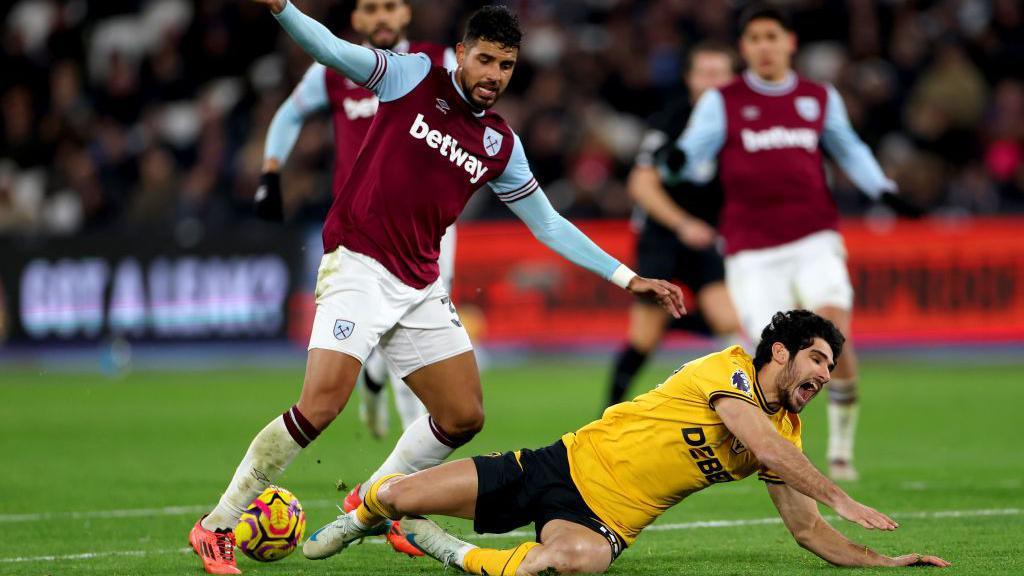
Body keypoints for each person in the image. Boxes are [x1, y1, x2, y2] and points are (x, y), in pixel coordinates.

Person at [188, 2, 686, 574]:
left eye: (506, 65)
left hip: (419, 283)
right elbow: (332, 49)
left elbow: (547, 223)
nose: (494, 75)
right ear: (460, 54)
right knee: (321, 405)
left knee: (462, 415)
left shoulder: (500, 144)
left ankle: (371, 501)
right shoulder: (412, 77)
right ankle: (217, 525)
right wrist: (282, 9)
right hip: (358, 264)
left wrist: (628, 278)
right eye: (485, 59)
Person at [301, 310, 950, 574]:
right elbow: (770, 450)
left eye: (831, 369)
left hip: (604, 520)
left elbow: (807, 532)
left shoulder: (787, 432)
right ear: (779, 352)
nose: (823, 376)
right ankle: (360, 518)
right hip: (557, 464)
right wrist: (844, 497)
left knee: (571, 562)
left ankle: (446, 549)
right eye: (816, 360)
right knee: (399, 493)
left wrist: (880, 561)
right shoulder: (727, 371)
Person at [663, 4, 923, 481]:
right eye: (755, 38)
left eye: (772, 37)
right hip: (752, 250)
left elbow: (850, 149)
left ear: (790, 43)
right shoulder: (723, 101)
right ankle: (775, 456)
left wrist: (885, 191)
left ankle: (841, 452)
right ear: (744, 48)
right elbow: (693, 157)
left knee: (832, 336)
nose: (764, 46)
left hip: (814, 238)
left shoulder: (817, 97)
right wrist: (675, 161)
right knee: (773, 361)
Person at [257, 0, 455, 442]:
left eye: (390, 6)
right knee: (393, 324)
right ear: (357, 21)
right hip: (363, 228)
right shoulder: (333, 70)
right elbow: (290, 114)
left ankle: (381, 388)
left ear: (406, 14)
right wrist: (271, 169)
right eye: (371, 8)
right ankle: (405, 451)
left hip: (429, 222)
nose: (381, 16)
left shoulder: (436, 62)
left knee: (424, 324)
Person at [607, 41, 743, 407]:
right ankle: (607, 413)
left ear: (733, 80)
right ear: (690, 78)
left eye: (720, 74)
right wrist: (683, 224)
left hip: (704, 237)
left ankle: (746, 414)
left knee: (729, 322)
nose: (712, 82)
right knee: (643, 341)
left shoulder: (741, 126)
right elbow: (640, 184)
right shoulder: (670, 122)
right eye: (705, 73)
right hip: (662, 236)